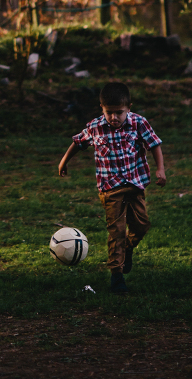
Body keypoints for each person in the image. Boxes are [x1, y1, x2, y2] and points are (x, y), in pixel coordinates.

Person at [57, 80, 166, 294]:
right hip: (110, 189)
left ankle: (126, 249)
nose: (114, 118)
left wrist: (160, 169)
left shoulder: (139, 123)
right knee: (116, 231)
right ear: (102, 109)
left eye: (119, 112)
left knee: (141, 226)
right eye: (110, 112)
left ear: (129, 108)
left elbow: (154, 144)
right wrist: (63, 161)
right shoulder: (96, 126)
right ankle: (117, 276)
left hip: (135, 186)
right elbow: (78, 142)